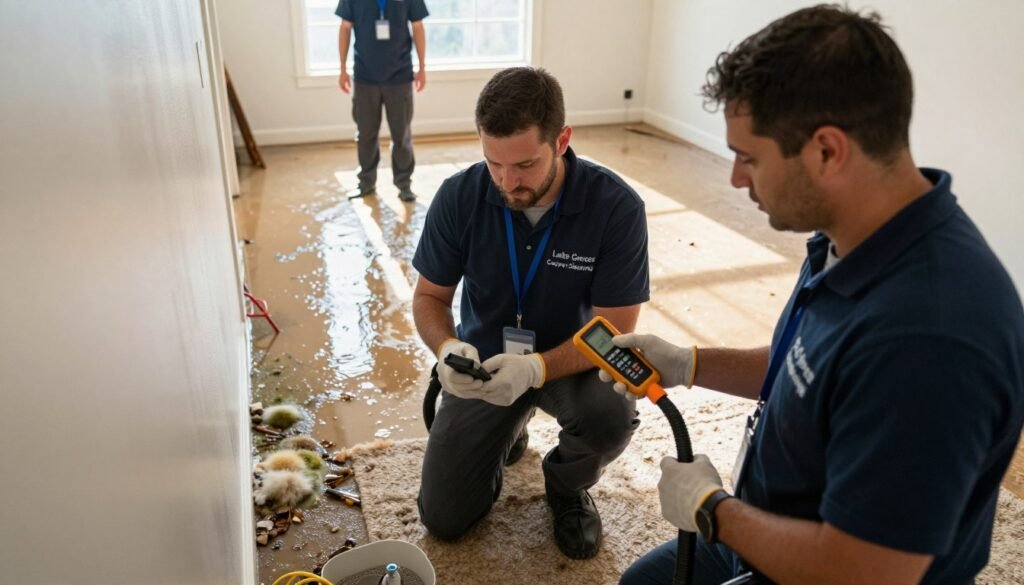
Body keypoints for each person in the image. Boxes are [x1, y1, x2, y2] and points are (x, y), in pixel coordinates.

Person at [612, 5, 1024, 585]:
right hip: (767, 527)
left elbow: (867, 571)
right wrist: (688, 363)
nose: (734, 177)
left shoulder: (930, 338)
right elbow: (805, 371)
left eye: (748, 157)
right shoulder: (847, 239)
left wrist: (712, 510)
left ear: (827, 151)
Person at [411, 67, 650, 560]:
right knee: (445, 518)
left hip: (575, 361)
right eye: (493, 163)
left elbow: (615, 330)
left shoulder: (616, 207)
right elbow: (429, 297)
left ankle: (566, 486)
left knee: (611, 415)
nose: (507, 181)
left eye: (523, 164)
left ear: (562, 139)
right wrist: (447, 348)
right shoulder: (460, 196)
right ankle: (509, 427)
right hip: (488, 362)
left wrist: (537, 368)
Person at [336, 0, 427, 202]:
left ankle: (404, 184)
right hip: (364, 76)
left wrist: (422, 67)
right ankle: (366, 182)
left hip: (400, 75)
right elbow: (344, 28)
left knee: (401, 134)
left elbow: (418, 27)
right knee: (366, 134)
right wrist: (342, 69)